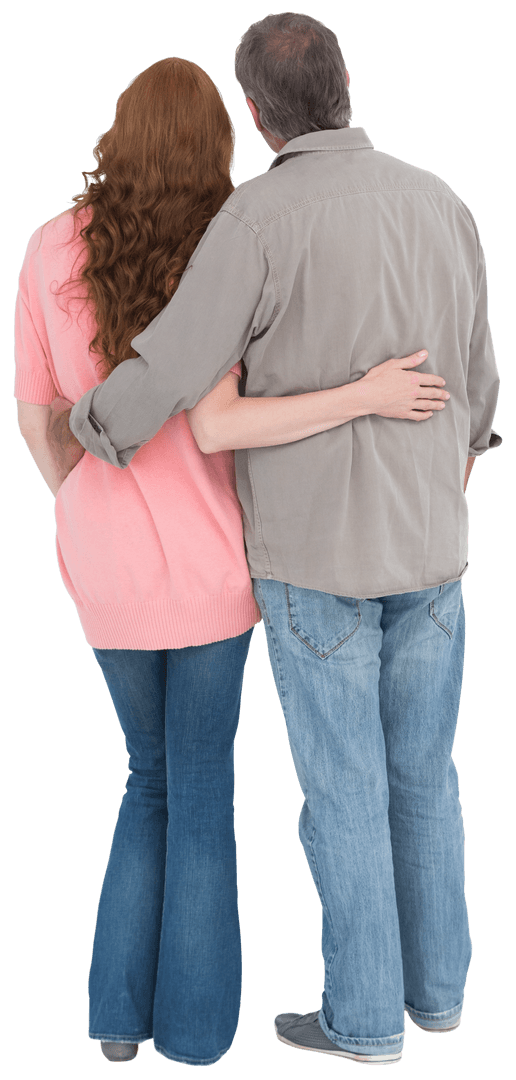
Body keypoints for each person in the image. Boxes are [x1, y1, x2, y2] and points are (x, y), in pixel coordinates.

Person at [59, 11, 503, 1066]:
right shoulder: (444, 201)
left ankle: (367, 1023)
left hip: (317, 564)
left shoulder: (257, 219)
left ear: (257, 115)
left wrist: (92, 426)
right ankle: (439, 996)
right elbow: (481, 384)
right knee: (429, 778)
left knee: (345, 793)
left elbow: (172, 367)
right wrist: (449, 470)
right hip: (435, 547)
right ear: (346, 86)